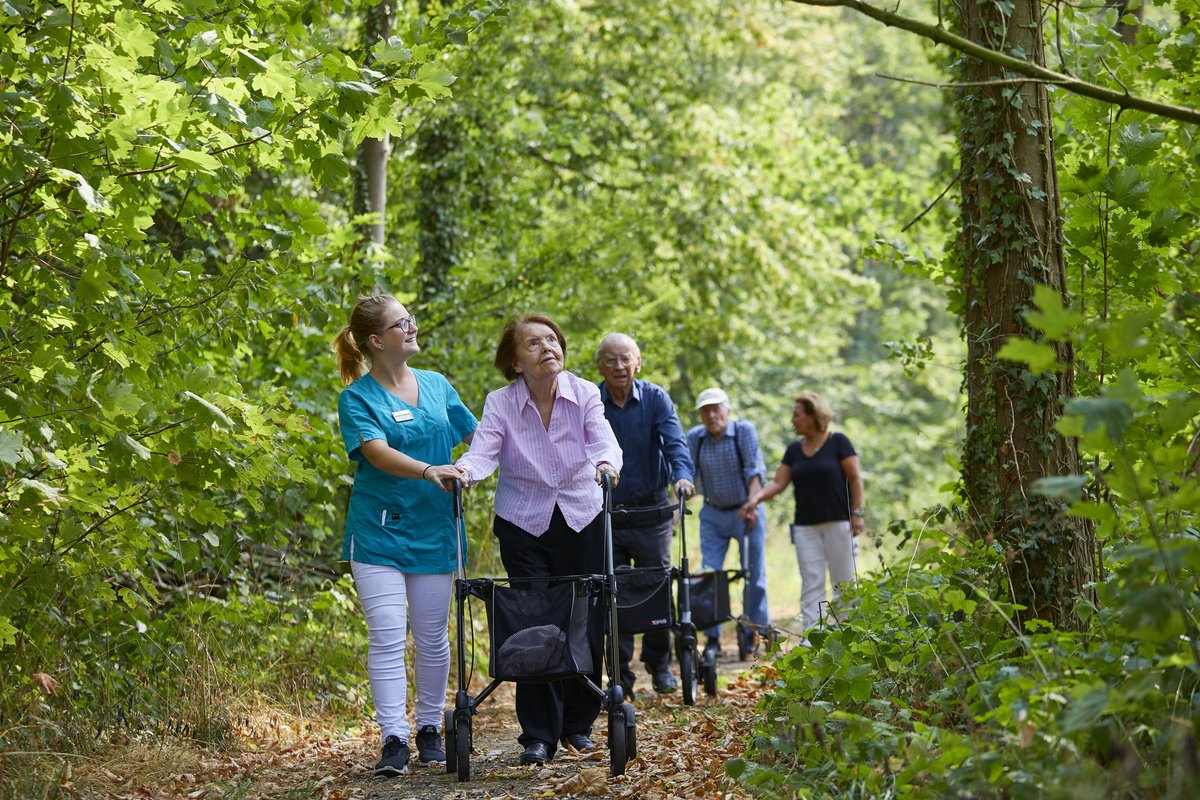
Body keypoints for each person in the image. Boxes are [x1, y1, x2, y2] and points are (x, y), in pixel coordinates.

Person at [456, 314, 622, 767]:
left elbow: (603, 439)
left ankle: (578, 725)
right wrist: (465, 473)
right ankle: (538, 734)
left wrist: (606, 464)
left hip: (582, 514)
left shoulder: (586, 392)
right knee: (532, 622)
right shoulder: (501, 402)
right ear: (515, 361)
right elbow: (485, 450)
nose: (548, 347)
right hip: (524, 521)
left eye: (552, 340)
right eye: (534, 343)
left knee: (584, 617)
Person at [332, 294, 477, 776]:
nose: (412, 327)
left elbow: (480, 437)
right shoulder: (357, 397)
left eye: (411, 319)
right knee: (389, 632)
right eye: (402, 322)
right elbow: (374, 452)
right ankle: (393, 738)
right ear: (377, 340)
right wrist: (428, 469)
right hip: (379, 535)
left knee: (433, 638)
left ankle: (431, 728)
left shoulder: (436, 385)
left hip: (435, 530)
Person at [595, 333, 695, 700]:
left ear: (638, 363)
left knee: (656, 586)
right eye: (611, 360)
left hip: (651, 512)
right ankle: (621, 676)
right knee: (612, 591)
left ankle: (660, 664)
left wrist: (682, 476)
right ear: (599, 366)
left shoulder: (655, 398)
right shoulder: (591, 401)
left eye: (626, 359)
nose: (619, 367)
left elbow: (675, 444)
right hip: (606, 512)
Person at [743, 392, 865, 635]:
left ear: (812, 416)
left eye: (796, 415)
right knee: (811, 582)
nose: (792, 420)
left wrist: (857, 513)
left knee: (844, 583)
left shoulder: (839, 442)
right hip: (805, 528)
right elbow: (778, 483)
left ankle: (847, 633)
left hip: (839, 524)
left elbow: (855, 478)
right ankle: (813, 636)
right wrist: (755, 499)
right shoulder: (794, 450)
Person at [686, 387, 770, 657]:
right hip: (712, 513)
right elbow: (690, 475)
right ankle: (713, 637)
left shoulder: (743, 431)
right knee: (709, 573)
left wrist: (753, 504)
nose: (712, 415)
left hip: (745, 508)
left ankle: (754, 631)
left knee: (753, 574)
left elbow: (754, 470)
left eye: (716, 408)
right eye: (706, 410)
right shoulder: (695, 438)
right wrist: (678, 506)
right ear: (700, 415)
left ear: (727, 410)